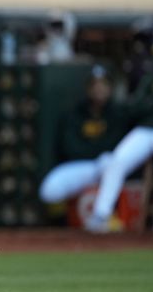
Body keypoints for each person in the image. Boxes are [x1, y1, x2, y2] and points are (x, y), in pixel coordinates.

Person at [87, 31, 153, 236]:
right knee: (117, 160)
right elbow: (135, 105)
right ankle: (101, 214)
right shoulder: (152, 77)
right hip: (148, 129)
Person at [39, 66, 128, 204]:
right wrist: (95, 149)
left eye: (104, 84)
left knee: (110, 162)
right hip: (81, 167)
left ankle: (101, 215)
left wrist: (92, 149)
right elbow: (69, 147)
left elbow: (116, 147)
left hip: (104, 167)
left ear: (110, 88)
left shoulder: (118, 114)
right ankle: (61, 221)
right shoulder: (75, 113)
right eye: (95, 85)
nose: (99, 89)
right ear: (88, 88)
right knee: (50, 190)